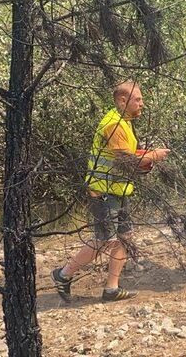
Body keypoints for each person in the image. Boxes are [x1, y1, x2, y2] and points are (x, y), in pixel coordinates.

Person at [51, 81, 169, 302]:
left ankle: (112, 289)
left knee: (125, 238)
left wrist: (147, 156)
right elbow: (127, 161)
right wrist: (154, 156)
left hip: (119, 190)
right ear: (122, 101)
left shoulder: (124, 122)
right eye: (138, 99)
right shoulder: (112, 124)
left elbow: (126, 153)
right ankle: (63, 274)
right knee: (104, 240)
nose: (142, 104)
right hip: (103, 191)